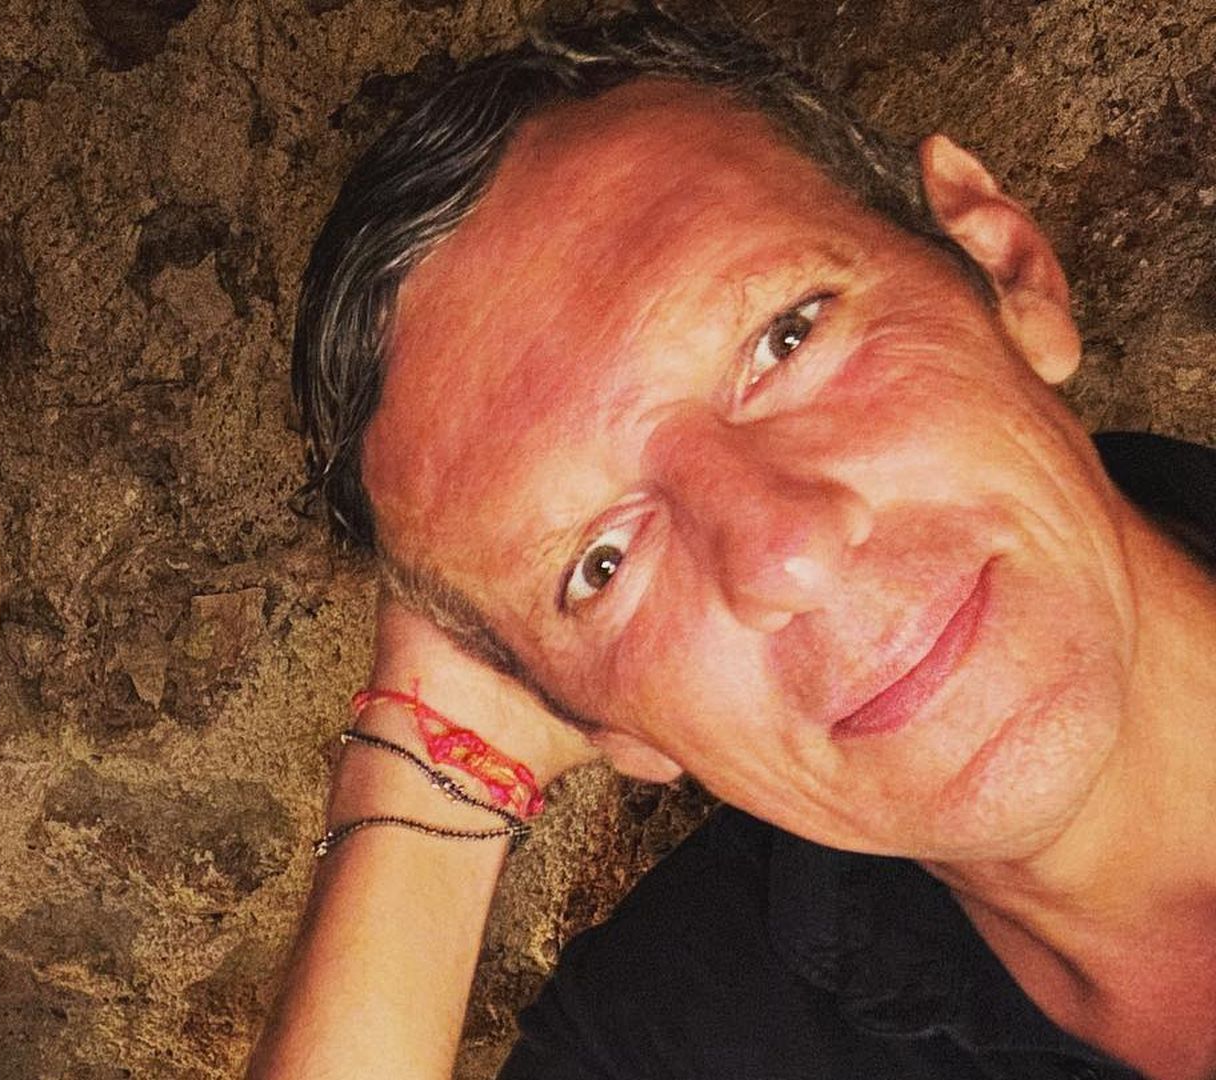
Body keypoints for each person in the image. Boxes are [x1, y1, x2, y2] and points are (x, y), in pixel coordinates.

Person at [252, 9, 1216, 1080]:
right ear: (606, 727)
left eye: (786, 337)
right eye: (601, 566)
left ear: (1002, 267)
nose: (787, 555)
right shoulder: (680, 1033)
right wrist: (432, 760)